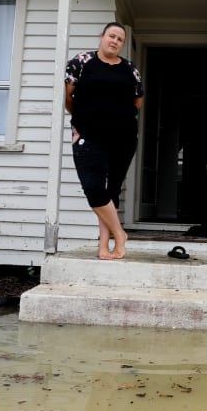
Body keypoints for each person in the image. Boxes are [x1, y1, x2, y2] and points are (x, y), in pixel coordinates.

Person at [65, 22, 144, 259]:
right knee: (93, 188)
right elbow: (69, 96)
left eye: (120, 39)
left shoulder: (130, 69)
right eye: (112, 36)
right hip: (88, 135)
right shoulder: (81, 61)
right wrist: (82, 118)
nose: (115, 41)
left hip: (123, 137)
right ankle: (120, 234)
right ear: (101, 37)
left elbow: (137, 101)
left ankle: (104, 247)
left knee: (111, 191)